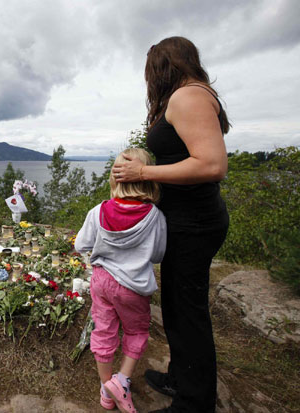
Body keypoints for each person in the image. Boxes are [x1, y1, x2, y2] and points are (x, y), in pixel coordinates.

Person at [111, 36, 230, 413]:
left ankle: (195, 403)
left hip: (196, 224)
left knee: (188, 311)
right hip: (186, 222)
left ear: (164, 67)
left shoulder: (189, 96)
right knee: (177, 306)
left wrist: (142, 170)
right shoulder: (186, 96)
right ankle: (181, 376)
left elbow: (212, 165)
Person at [75, 148, 167, 413]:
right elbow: (159, 255)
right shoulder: (155, 217)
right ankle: (122, 380)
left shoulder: (98, 211)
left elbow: (82, 244)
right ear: (148, 179)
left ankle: (106, 389)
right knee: (136, 331)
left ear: (115, 179)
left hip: (102, 281)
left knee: (104, 330)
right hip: (133, 286)